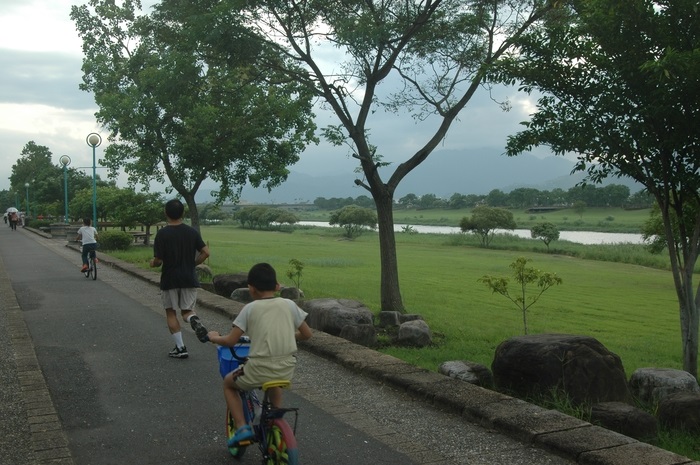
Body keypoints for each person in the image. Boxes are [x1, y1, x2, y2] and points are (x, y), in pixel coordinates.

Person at [207, 263, 313, 447]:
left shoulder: (250, 309)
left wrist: (215, 337)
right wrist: (288, 334)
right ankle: (276, 414)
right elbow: (307, 334)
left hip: (257, 369)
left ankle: (242, 427)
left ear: (251, 289)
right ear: (277, 286)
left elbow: (231, 341)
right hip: (287, 368)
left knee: (228, 384)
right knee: (274, 377)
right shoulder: (289, 304)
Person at [149, 199, 210, 359]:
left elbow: (158, 260)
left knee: (171, 312)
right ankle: (194, 320)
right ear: (183, 213)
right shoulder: (191, 232)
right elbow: (206, 252)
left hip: (170, 278)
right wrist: (193, 263)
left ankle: (181, 347)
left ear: (166, 213)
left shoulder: (162, 234)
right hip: (189, 277)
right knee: (187, 311)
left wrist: (153, 263)